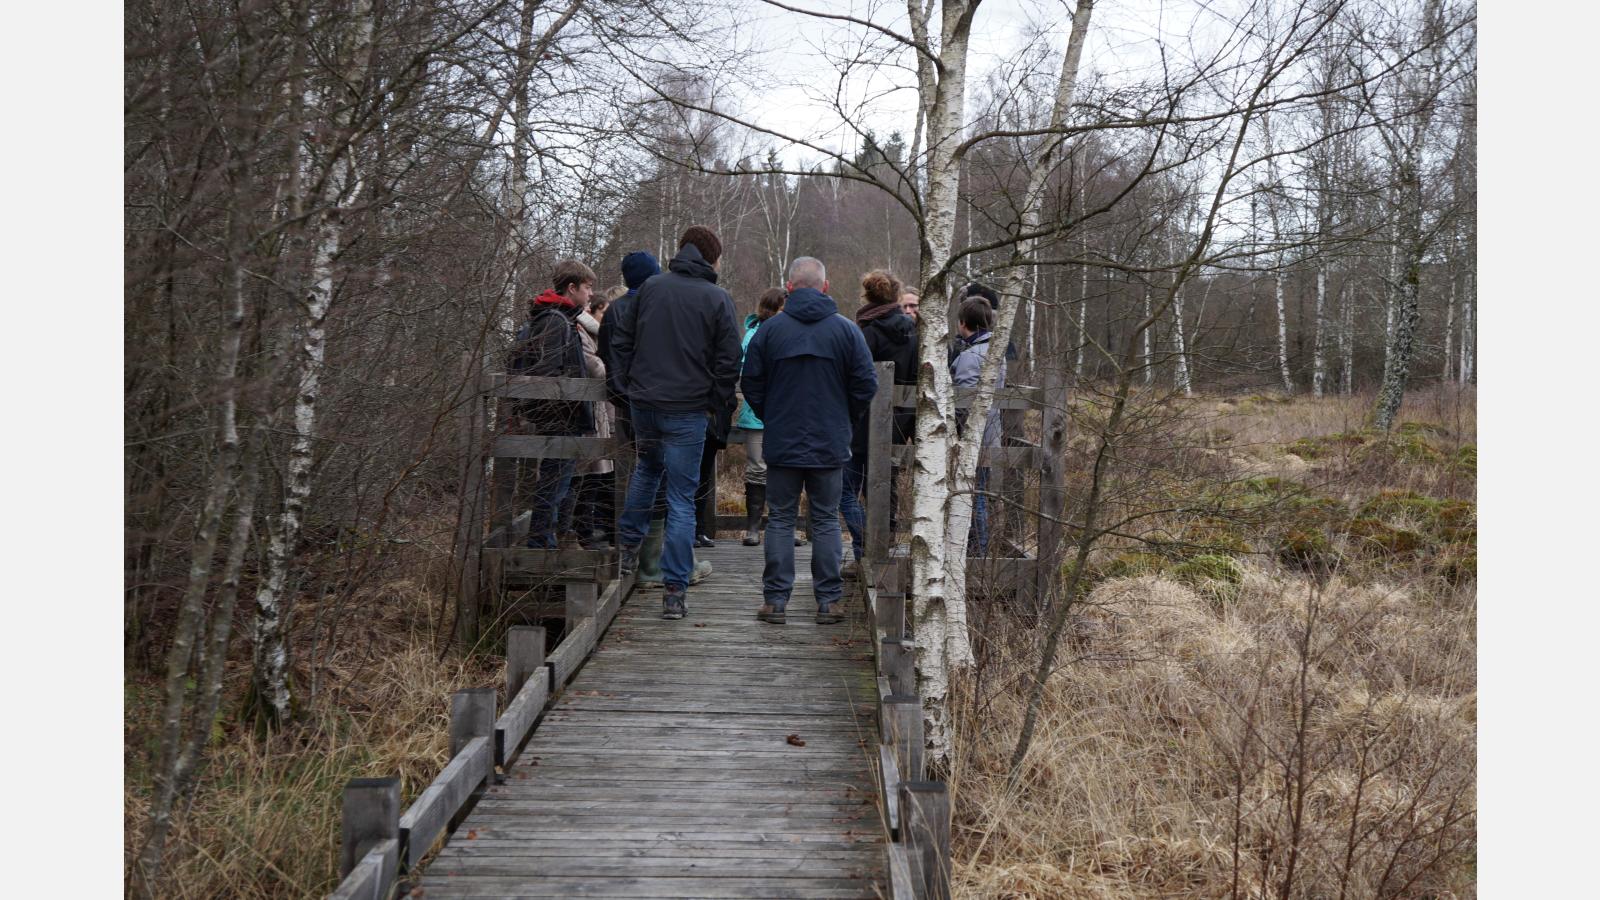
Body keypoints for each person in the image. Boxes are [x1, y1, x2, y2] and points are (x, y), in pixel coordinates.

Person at [610, 226, 742, 620]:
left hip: (645, 403)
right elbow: (729, 361)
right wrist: (716, 405)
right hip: (686, 409)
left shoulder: (650, 288)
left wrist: (626, 387)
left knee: (646, 472)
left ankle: (627, 553)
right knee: (682, 498)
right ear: (711, 257)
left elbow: (621, 339)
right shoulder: (717, 299)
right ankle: (674, 590)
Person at [741, 256, 877, 625]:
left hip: (783, 440)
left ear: (789, 287)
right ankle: (829, 602)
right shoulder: (847, 331)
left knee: (782, 519)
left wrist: (774, 415)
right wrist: (843, 418)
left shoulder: (769, 332)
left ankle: (775, 602)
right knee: (827, 519)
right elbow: (866, 384)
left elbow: (750, 382)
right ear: (825, 287)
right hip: (830, 442)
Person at [510, 260, 596, 549]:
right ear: (571, 288)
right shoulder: (554, 320)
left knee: (559, 479)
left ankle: (546, 537)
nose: (590, 294)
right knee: (554, 480)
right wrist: (568, 403)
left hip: (562, 415)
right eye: (587, 288)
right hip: (559, 416)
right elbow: (546, 372)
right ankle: (540, 540)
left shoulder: (558, 318)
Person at [840, 270, 917, 563]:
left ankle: (866, 549)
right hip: (899, 423)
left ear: (866, 296)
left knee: (845, 490)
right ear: (896, 297)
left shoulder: (863, 332)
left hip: (861, 424)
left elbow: (853, 380)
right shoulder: (914, 334)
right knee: (884, 490)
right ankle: (878, 553)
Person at [950, 297, 1005, 554]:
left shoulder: (971, 357)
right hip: (990, 434)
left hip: (974, 438)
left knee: (972, 496)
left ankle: (975, 552)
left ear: (963, 323)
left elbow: (962, 404)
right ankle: (977, 551)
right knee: (978, 492)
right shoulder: (995, 352)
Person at [732, 288, 786, 546]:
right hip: (757, 414)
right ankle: (753, 527)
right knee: (758, 468)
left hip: (785, 414)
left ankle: (781, 526)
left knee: (785, 469)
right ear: (772, 309)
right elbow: (748, 374)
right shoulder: (754, 335)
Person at [571, 286, 622, 550]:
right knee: (588, 474)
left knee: (600, 474)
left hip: (601, 412)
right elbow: (597, 369)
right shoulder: (583, 332)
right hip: (589, 412)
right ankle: (585, 532)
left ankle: (597, 530)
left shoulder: (596, 334)